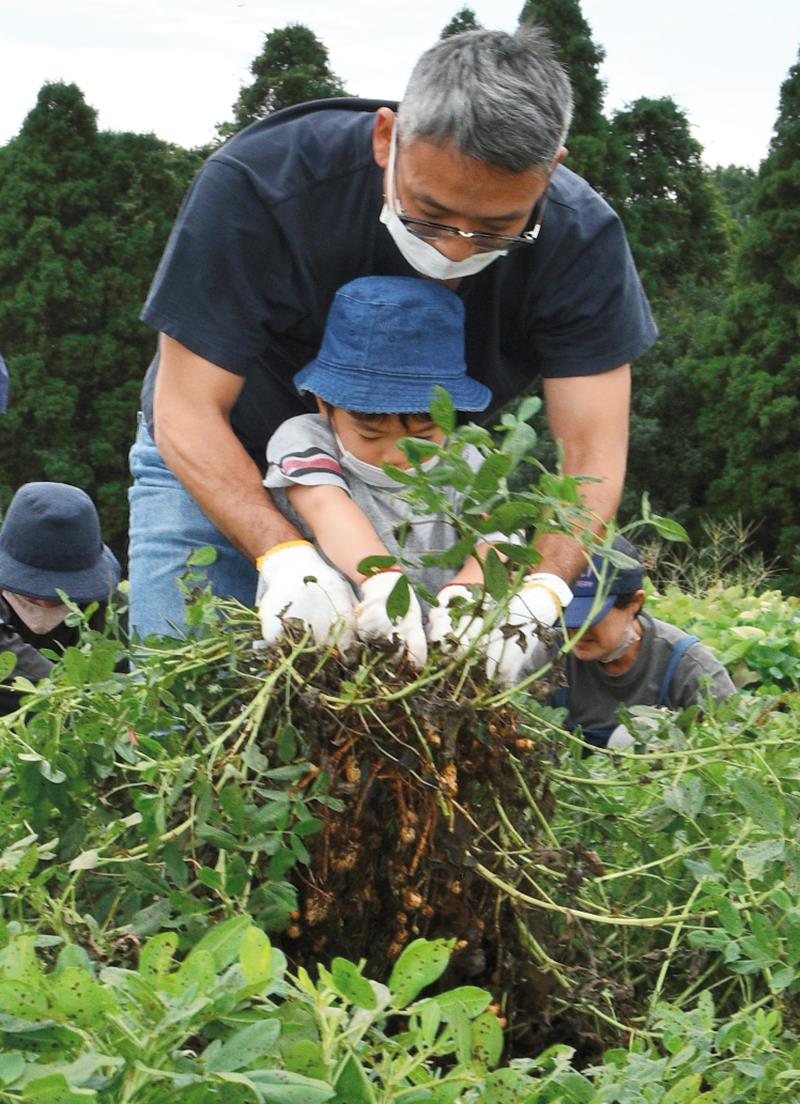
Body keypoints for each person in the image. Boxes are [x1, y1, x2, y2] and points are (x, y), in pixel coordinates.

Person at [129, 25, 657, 679]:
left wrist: (538, 592)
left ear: (550, 172)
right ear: (387, 138)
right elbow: (187, 410)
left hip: (416, 483)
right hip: (221, 453)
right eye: (430, 214)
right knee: (181, 693)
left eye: (498, 228)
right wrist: (285, 557)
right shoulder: (263, 186)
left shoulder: (582, 243)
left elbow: (591, 460)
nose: (457, 250)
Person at [260, 276, 496, 670]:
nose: (396, 455)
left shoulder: (467, 457)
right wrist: (382, 581)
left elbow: (497, 539)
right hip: (315, 656)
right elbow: (322, 503)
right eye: (370, 433)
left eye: (423, 435)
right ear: (324, 403)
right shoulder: (305, 439)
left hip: (430, 666)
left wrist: (466, 595)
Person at [554, 536, 736, 749]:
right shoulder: (550, 655)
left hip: (660, 780)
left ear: (635, 603)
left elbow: (730, 745)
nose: (576, 629)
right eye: (568, 614)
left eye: (590, 617)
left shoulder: (688, 665)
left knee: (635, 733)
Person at [0, 482, 122, 715]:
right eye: (32, 594)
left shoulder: (110, 610)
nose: (45, 604)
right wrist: (74, 694)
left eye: (60, 598)